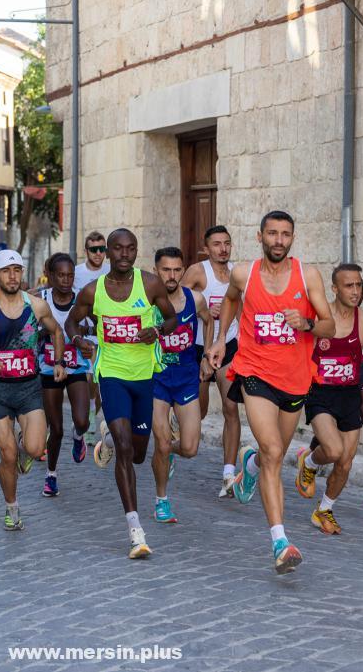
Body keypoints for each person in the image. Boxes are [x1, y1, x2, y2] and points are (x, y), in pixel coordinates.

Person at [206, 211, 334, 574]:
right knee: (275, 450)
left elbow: (330, 325)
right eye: (272, 233)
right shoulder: (244, 274)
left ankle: (249, 466)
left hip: (295, 380)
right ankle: (280, 541)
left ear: (292, 238)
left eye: (286, 234)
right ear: (260, 235)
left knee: (268, 458)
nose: (279, 240)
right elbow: (230, 300)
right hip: (254, 371)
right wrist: (219, 339)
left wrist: (307, 323)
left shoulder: (307, 275)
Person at [66, 229, 178, 559]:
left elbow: (171, 317)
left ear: (136, 251)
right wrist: (78, 341)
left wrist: (157, 330)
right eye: (118, 249)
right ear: (109, 253)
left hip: (144, 378)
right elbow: (71, 322)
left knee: (139, 453)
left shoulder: (151, 284)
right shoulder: (93, 290)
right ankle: (135, 531)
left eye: (131, 249)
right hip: (111, 375)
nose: (124, 254)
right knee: (127, 449)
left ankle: (110, 441)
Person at [0, 250, 66, 530]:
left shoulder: (36, 306)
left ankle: (23, 450)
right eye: (6, 271)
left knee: (35, 447)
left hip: (29, 388)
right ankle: (12, 507)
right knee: (6, 456)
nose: (12, 276)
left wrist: (57, 361)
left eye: (17, 270)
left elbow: (56, 331)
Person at [295, 264, 363, 534]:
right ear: (335, 289)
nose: (355, 291)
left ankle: (324, 510)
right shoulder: (319, 316)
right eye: (349, 286)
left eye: (359, 285)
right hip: (321, 392)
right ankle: (310, 462)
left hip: (350, 394)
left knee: (346, 462)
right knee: (335, 450)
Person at [149, 246, 212, 524]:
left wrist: (207, 356)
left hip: (186, 377)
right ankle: (161, 500)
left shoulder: (195, 299)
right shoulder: (147, 302)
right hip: (156, 378)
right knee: (161, 443)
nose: (172, 275)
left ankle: (169, 455)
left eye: (177, 270)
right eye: (166, 270)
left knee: (189, 448)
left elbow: (209, 322)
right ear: (156, 271)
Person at [181, 226, 242, 498]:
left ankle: (229, 473)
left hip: (229, 345)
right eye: (217, 244)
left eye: (227, 243)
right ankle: (171, 445)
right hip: (198, 347)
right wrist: (204, 309)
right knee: (200, 412)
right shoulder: (197, 271)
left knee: (231, 407)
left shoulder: (238, 274)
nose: (223, 249)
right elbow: (175, 304)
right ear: (207, 248)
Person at [38, 252, 94, 497]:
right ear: (50, 276)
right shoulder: (40, 299)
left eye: (70, 275)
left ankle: (79, 435)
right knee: (56, 429)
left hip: (76, 366)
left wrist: (84, 333)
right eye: (60, 275)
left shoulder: (81, 301)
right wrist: (45, 332)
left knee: (82, 420)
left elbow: (97, 323)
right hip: (48, 367)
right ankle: (51, 475)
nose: (65, 280)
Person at [74, 231, 110, 437]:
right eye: (93, 249)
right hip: (85, 335)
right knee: (90, 378)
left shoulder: (111, 271)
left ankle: (94, 421)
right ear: (86, 251)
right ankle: (87, 420)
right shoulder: (77, 272)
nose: (98, 253)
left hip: (108, 335)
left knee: (99, 379)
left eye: (102, 249)